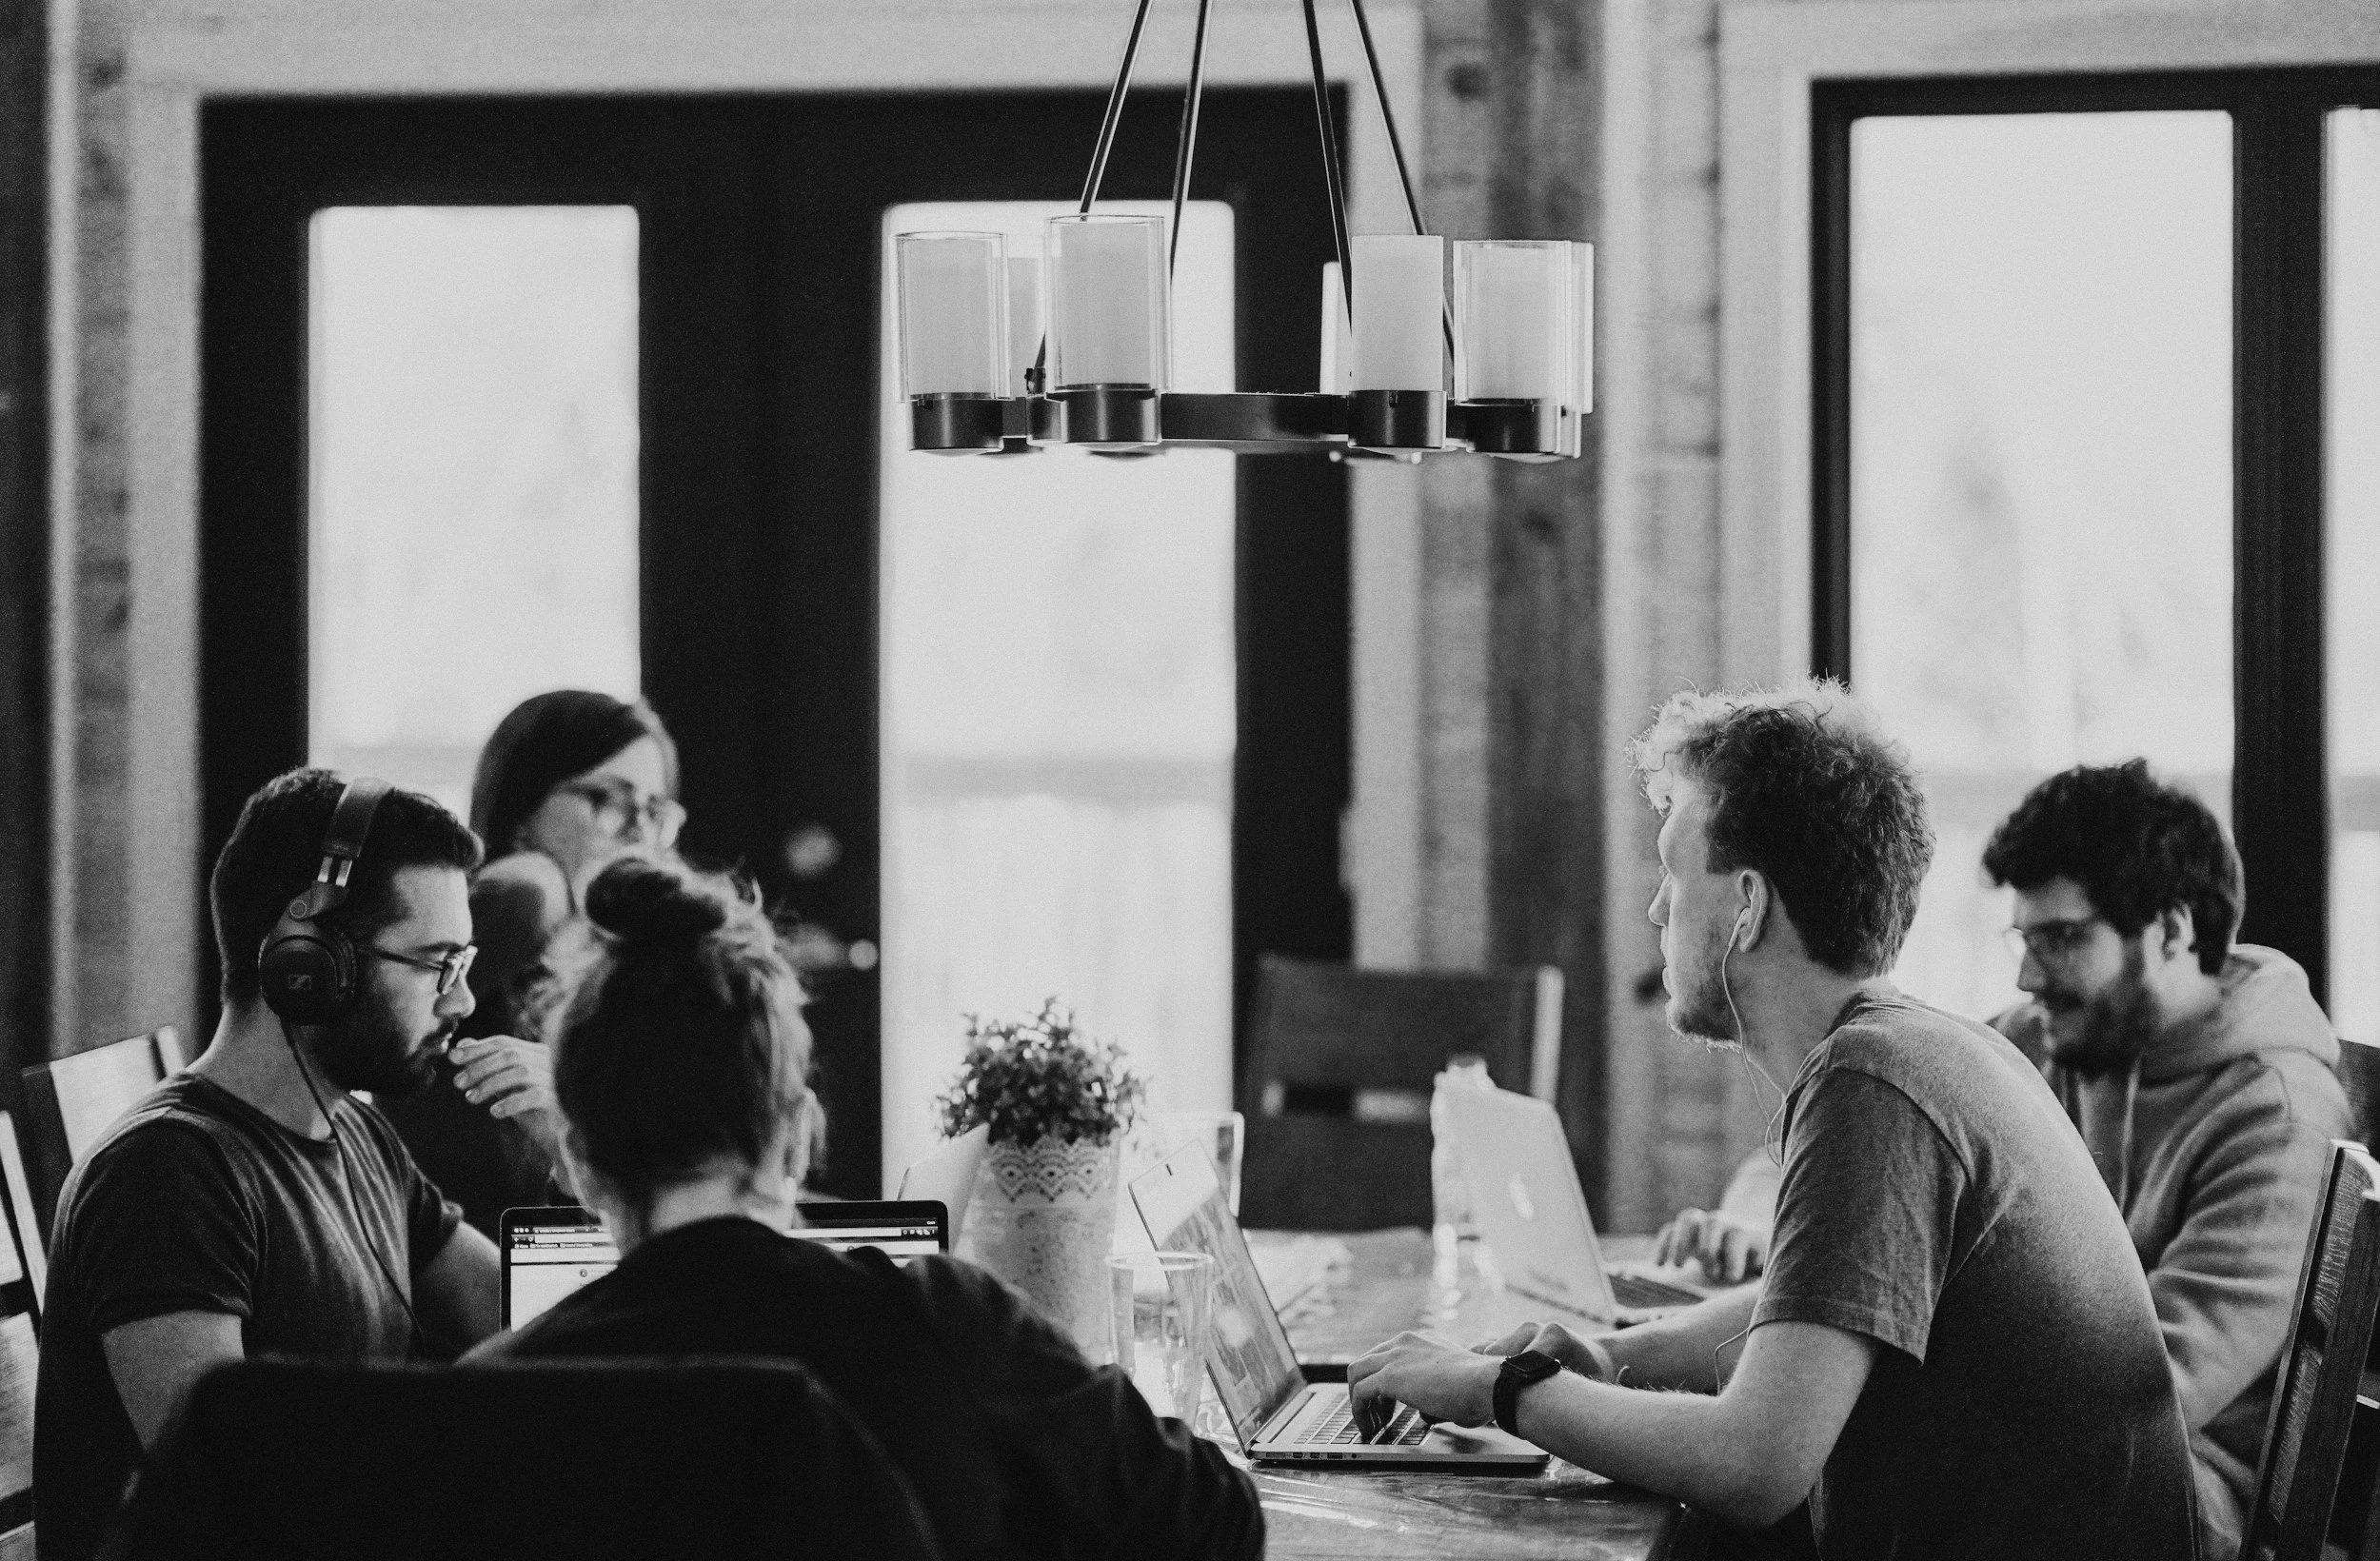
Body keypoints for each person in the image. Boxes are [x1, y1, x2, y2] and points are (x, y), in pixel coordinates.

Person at [1347, 681, 2198, 1559]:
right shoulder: (1925, 1049)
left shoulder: (1872, 1086)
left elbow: (1755, 1465)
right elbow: (1817, 1303)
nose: (1655, 910)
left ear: (1747, 906)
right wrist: (1606, 1357)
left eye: (1674, 874)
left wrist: (1499, 1388)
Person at [465, 854, 1263, 1561]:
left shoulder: (490, 1401)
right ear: (797, 1133)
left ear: (578, 1158)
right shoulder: (944, 1323)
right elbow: (1216, 1524)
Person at [34, 770, 506, 1561]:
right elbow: (230, 1496)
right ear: (307, 961)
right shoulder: (168, 1173)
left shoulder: (356, 1136)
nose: (460, 1005)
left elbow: (526, 1322)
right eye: (437, 966)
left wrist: (591, 1150)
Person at [1982, 759, 2349, 1560]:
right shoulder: (2041, 1041)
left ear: (2175, 930)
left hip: (2178, 1493)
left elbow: (2150, 1392)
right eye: (2023, 938)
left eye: (2065, 939)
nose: (2027, 975)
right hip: (2039, 1447)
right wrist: (1750, 1216)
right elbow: (1878, 1139)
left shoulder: (2276, 1114)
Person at [380, 690, 684, 1237]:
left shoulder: (638, 966)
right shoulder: (518, 905)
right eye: (607, 799)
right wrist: (539, 880)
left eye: (656, 809)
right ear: (522, 810)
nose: (639, 830)